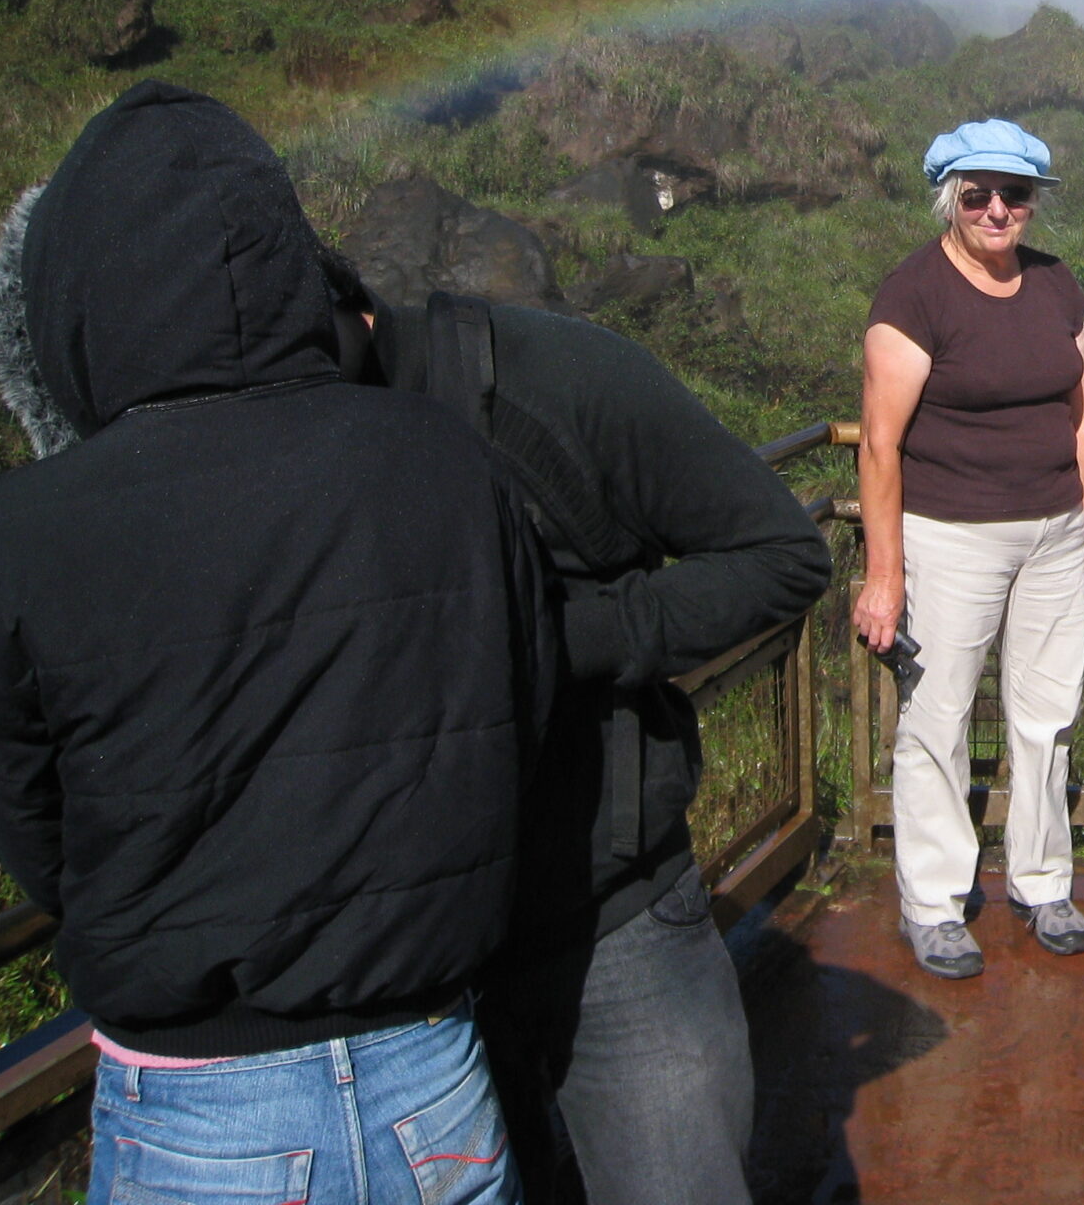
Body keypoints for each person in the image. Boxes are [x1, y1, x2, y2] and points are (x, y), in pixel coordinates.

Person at [0, 82, 553, 1205]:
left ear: (71, 299)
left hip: (198, 1115)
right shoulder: (449, 462)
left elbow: (38, 839)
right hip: (437, 1079)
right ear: (286, 258)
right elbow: (522, 717)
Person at [324, 240, 833, 1204]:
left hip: (609, 919)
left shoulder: (543, 380)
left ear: (350, 309)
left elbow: (785, 555)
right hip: (395, 972)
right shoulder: (252, 455)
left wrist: (556, 640)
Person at [852, 118, 1084, 979]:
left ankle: (1043, 883)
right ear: (951, 198)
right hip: (949, 536)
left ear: (1033, 202)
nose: (997, 209)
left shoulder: (1054, 285)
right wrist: (884, 577)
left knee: (1047, 716)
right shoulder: (913, 296)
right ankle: (934, 901)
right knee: (939, 719)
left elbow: (1083, 412)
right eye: (978, 194)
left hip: (1054, 532)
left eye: (1015, 194)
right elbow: (879, 445)